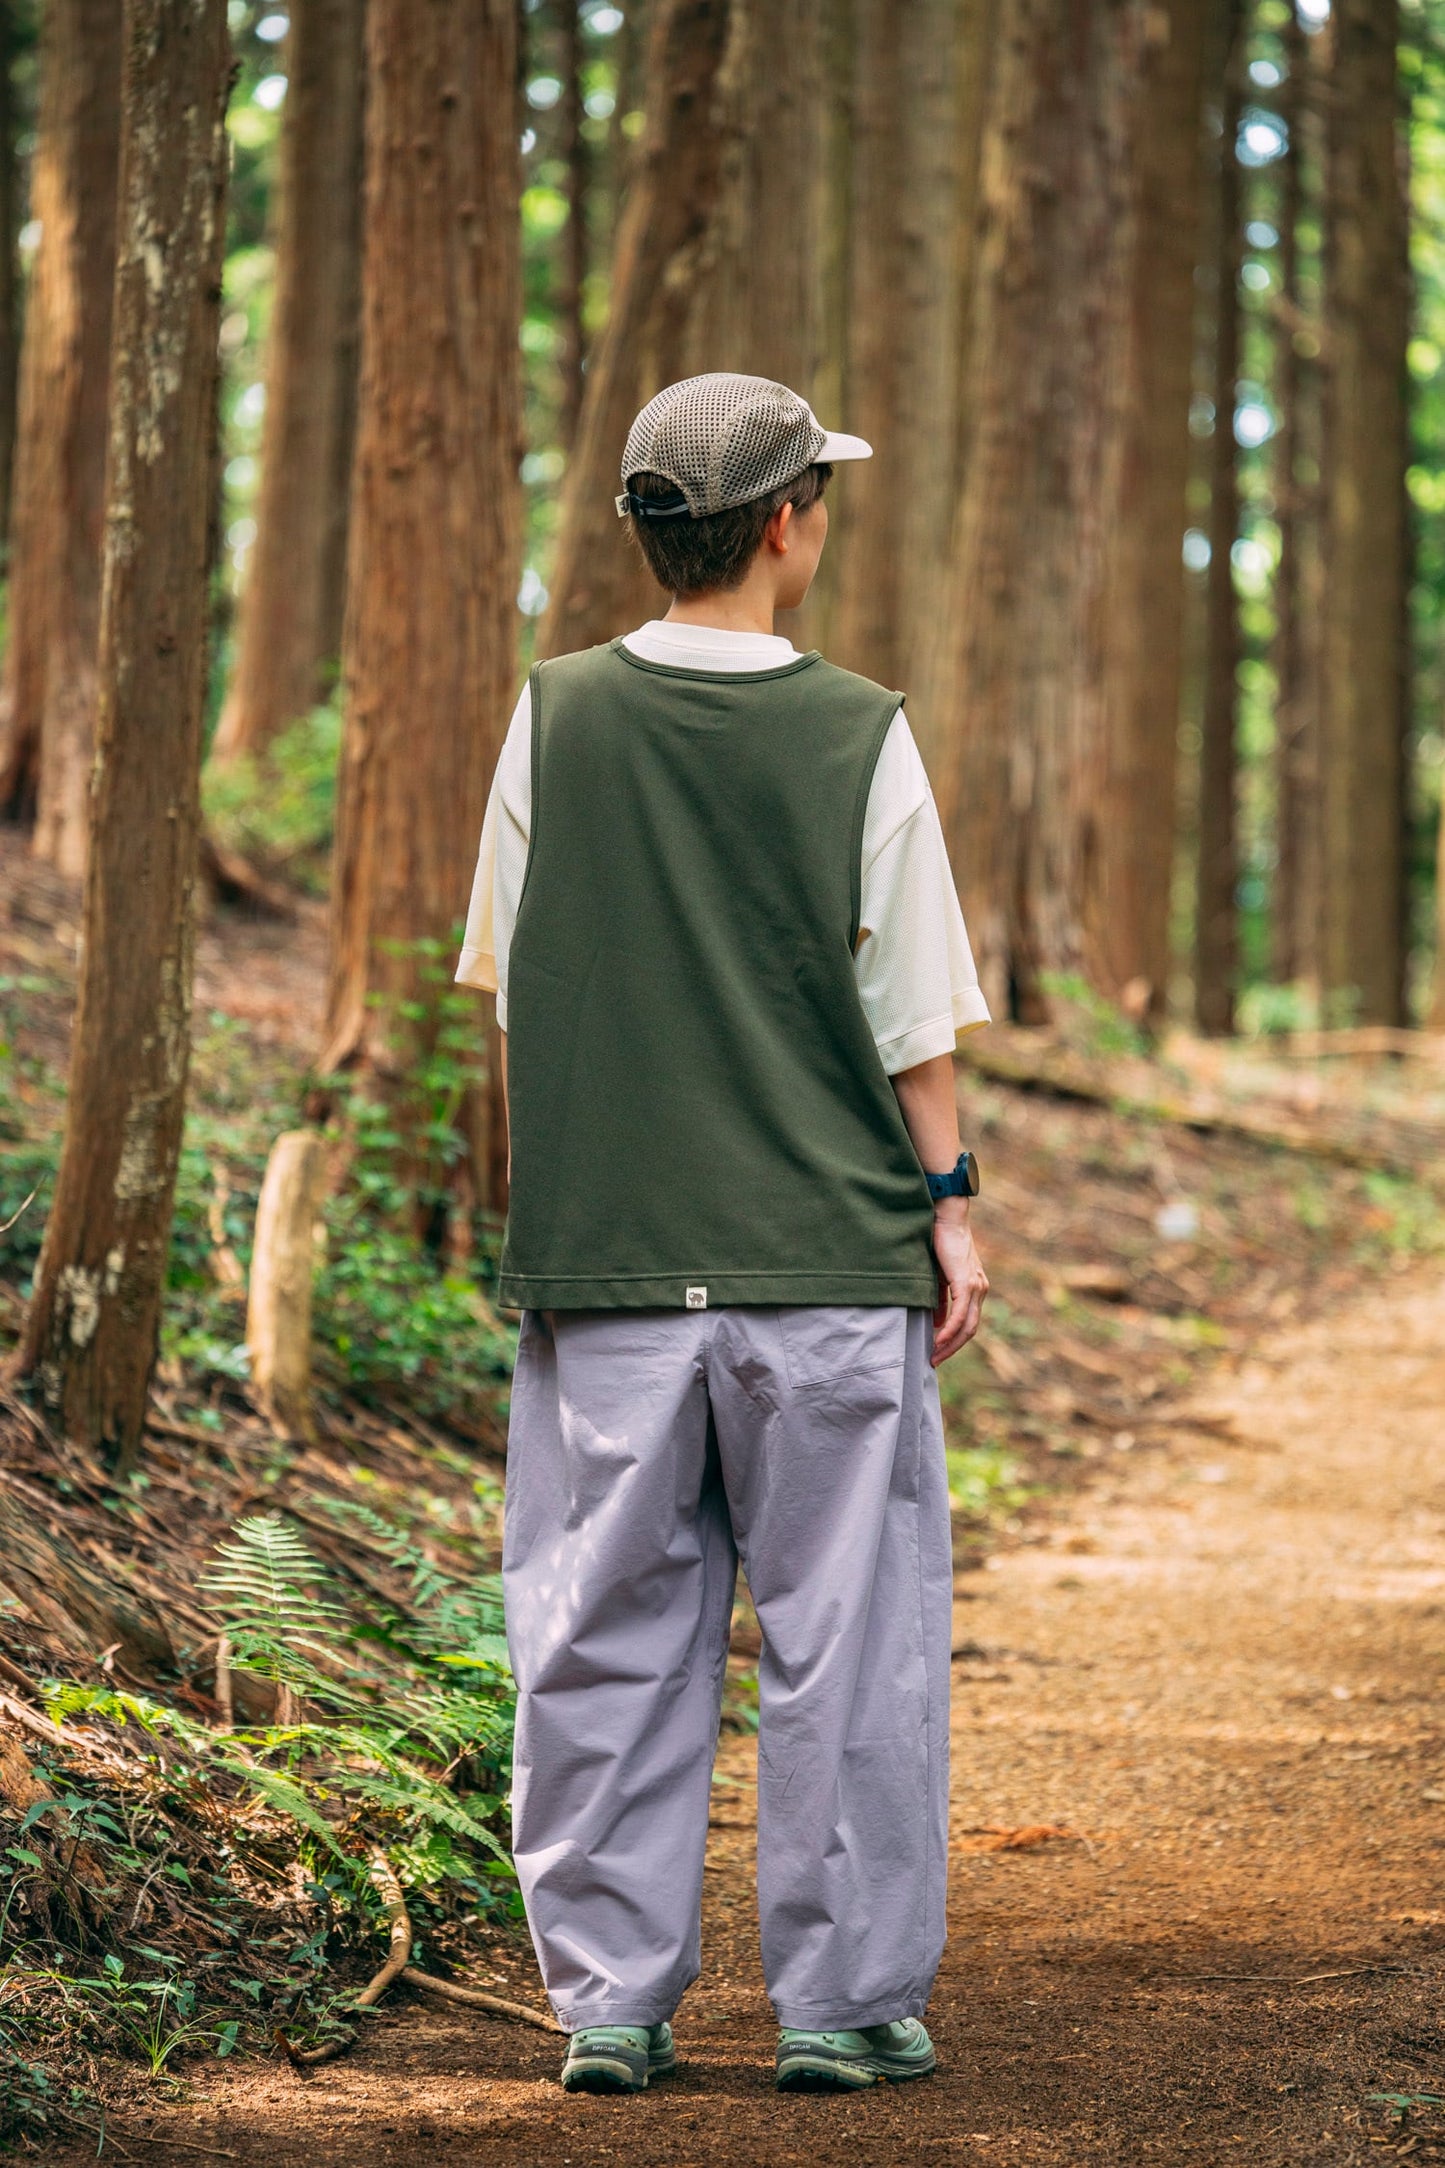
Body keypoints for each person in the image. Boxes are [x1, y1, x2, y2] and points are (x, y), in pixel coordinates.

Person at [455, 373, 990, 2097]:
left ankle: (610, 2001)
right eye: (814, 492)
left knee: (598, 1626)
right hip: (827, 1265)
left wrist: (574, 1199)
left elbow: (519, 991)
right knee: (851, 1637)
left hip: (612, 1268)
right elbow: (912, 1015)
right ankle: (839, 2006)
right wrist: (954, 1215)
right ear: (782, 523)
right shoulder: (858, 730)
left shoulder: (555, 716)